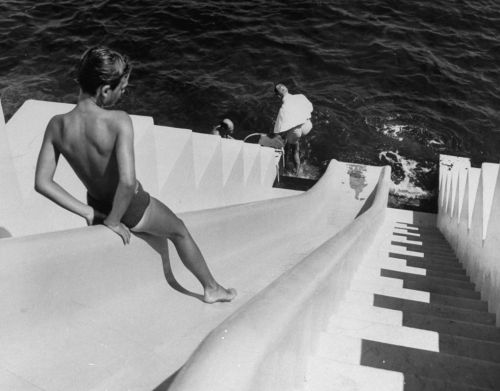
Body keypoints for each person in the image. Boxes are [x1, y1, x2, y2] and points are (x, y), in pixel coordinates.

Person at [34, 46, 236, 304]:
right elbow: (127, 182)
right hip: (130, 207)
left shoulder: (56, 124)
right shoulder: (118, 120)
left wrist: (87, 211)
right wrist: (114, 220)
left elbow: (42, 182)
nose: (123, 93)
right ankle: (212, 288)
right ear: (105, 90)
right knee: (179, 231)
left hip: (96, 206)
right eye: (122, 88)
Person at [273, 83, 313, 175]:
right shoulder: (300, 96)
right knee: (293, 140)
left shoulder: (283, 109)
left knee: (293, 149)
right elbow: (310, 108)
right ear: (286, 89)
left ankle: (296, 172)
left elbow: (278, 130)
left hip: (296, 132)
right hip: (308, 125)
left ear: (278, 96)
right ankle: (294, 144)